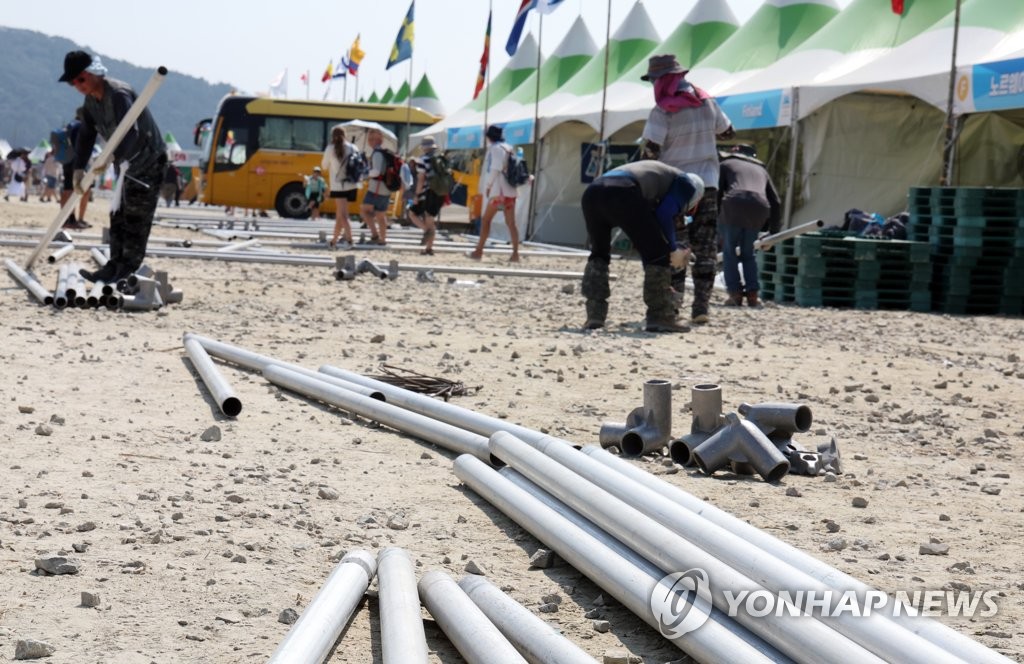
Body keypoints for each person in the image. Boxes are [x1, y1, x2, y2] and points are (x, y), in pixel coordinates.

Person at [641, 54, 734, 324]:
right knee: (705, 247)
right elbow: (728, 132)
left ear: (664, 80)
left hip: (676, 187)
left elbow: (650, 152)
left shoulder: (662, 111)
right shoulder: (707, 102)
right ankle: (701, 308)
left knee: (677, 244)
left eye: (655, 80)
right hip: (707, 185)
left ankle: (675, 305)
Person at [60, 50, 166, 284]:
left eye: (81, 79)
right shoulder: (90, 102)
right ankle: (114, 265)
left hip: (146, 161)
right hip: (125, 164)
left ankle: (127, 270)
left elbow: (131, 132)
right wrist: (79, 167)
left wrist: (109, 157)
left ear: (94, 73)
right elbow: (86, 135)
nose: (78, 85)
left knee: (136, 218)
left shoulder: (118, 94)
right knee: (117, 214)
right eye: (73, 82)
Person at [582, 161, 704, 333]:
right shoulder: (686, 183)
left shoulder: (659, 181)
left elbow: (651, 232)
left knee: (599, 255)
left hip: (592, 193)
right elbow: (665, 213)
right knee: (659, 254)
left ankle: (594, 316)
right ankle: (660, 317)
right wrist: (672, 248)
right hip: (623, 191)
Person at [718, 144, 781, 308]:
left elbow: (717, 194)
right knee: (749, 253)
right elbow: (776, 201)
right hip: (759, 206)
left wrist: (713, 220)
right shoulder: (762, 170)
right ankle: (753, 296)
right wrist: (773, 233)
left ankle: (735, 294)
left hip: (734, 203)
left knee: (729, 251)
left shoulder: (725, 164)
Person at [468, 124, 524, 262]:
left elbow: (495, 168)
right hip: (510, 190)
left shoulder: (495, 149)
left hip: (498, 190)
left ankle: (479, 250)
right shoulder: (509, 147)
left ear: (489, 137)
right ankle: (515, 253)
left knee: (486, 219)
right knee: (511, 223)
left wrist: (488, 185)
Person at [321, 125, 359, 248]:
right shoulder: (353, 147)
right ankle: (334, 241)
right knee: (340, 214)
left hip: (338, 185)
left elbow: (324, 166)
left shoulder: (330, 148)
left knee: (342, 215)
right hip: (352, 185)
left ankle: (349, 240)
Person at [408, 136, 448, 255]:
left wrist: (416, 194)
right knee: (430, 219)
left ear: (424, 147)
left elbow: (421, 179)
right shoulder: (441, 158)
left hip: (428, 192)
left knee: (412, 213)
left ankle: (426, 232)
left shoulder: (422, 159)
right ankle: (429, 248)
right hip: (440, 191)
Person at [58, 109, 92, 229]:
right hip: (76, 161)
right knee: (84, 189)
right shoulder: (80, 126)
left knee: (67, 189)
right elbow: (80, 145)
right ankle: (76, 219)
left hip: (66, 160)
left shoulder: (69, 126)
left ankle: (65, 219)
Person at [360, 128, 391, 246]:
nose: (370, 141)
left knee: (364, 210)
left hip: (376, 188)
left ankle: (374, 235)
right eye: (369, 138)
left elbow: (377, 171)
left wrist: (365, 174)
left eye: (373, 139)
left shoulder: (377, 153)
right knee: (381, 215)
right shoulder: (384, 152)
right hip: (386, 189)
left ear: (379, 140)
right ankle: (382, 240)